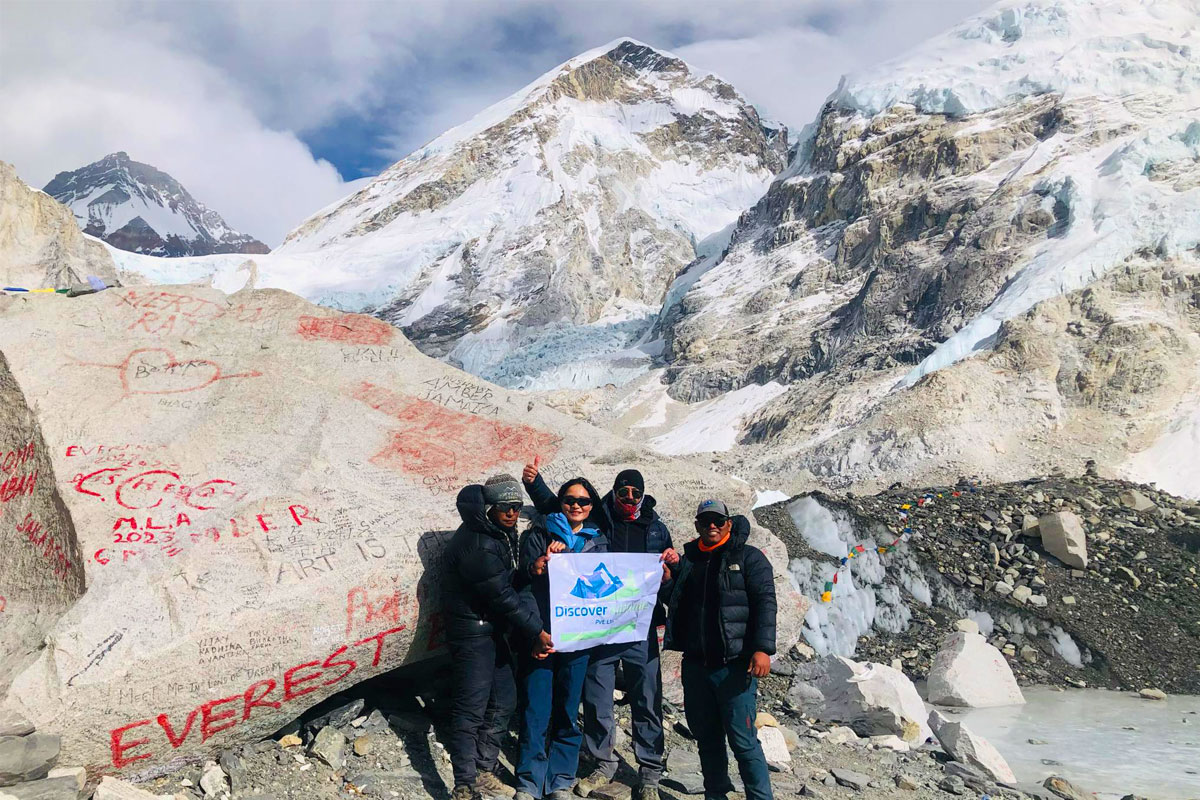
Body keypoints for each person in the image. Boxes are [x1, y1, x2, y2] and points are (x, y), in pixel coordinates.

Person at [443, 475, 555, 800]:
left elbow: (504, 581)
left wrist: (529, 570)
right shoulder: (478, 545)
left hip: (491, 629)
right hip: (472, 632)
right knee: (470, 710)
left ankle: (482, 770)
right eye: (506, 507)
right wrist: (538, 631)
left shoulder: (498, 532)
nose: (512, 514)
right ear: (490, 507)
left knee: (504, 700)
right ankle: (464, 785)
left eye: (517, 507)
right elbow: (503, 597)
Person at [663, 499, 777, 800]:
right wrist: (666, 583)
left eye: (717, 520)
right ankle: (715, 794)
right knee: (707, 738)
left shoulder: (749, 557)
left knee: (743, 741)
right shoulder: (689, 560)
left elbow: (765, 602)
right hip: (697, 665)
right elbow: (677, 602)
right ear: (697, 524)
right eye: (705, 521)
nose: (711, 525)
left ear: (729, 522)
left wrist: (763, 649)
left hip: (735, 666)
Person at [514, 477, 608, 800]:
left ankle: (560, 781)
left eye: (583, 501)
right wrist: (538, 566)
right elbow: (522, 584)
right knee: (536, 709)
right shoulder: (540, 533)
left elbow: (606, 589)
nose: (576, 506)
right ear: (560, 502)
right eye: (569, 500)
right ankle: (528, 781)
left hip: (578, 640)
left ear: (592, 506)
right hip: (543, 636)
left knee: (568, 711)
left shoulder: (599, 541)